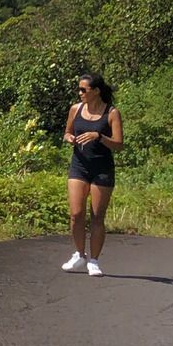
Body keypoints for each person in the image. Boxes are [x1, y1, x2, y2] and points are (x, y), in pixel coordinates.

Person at [61, 72, 122, 275]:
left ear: (96, 91)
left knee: (97, 216)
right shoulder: (75, 109)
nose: (80, 93)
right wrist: (69, 138)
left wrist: (99, 136)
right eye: (79, 89)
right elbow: (67, 132)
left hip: (102, 169)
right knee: (76, 213)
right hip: (79, 165)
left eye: (84, 90)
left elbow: (119, 144)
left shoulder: (111, 113)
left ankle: (93, 261)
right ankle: (79, 255)